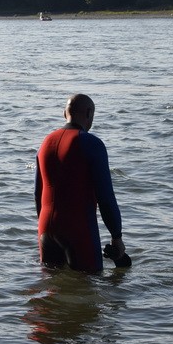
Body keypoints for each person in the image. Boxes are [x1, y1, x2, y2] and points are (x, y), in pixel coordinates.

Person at [35, 94, 125, 273]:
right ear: (89, 113)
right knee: (88, 291)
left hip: (45, 228)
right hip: (77, 229)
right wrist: (116, 237)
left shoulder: (46, 143)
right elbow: (105, 197)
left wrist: (45, 227)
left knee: (52, 292)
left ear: (64, 113)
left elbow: (38, 193)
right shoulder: (91, 143)